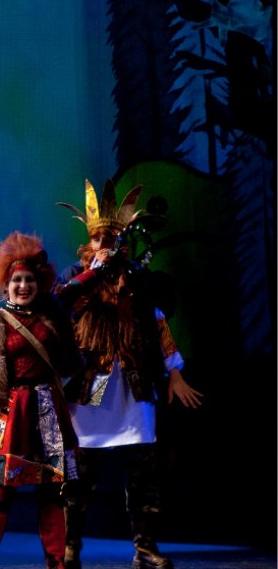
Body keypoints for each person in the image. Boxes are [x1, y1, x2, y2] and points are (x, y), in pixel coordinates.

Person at [56, 180, 203, 569]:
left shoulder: (137, 276)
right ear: (90, 241)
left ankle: (145, 549)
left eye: (111, 237)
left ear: (121, 241)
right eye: (98, 237)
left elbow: (157, 321)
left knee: (144, 474)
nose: (104, 243)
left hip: (134, 385)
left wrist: (175, 371)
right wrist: (94, 273)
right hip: (92, 386)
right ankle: (69, 546)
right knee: (79, 475)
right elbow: (58, 312)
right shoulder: (76, 276)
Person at [0, 232, 81, 569]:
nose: (23, 286)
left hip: (48, 416)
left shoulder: (52, 316)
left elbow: (79, 292)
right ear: (6, 285)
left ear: (39, 282)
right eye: (17, 280)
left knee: (51, 494)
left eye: (29, 280)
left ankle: (57, 563)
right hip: (7, 417)